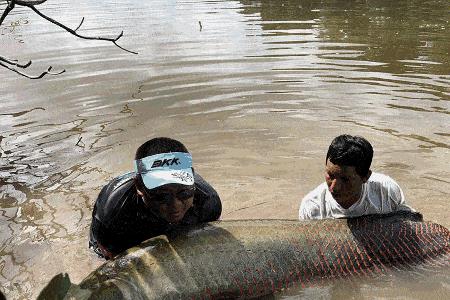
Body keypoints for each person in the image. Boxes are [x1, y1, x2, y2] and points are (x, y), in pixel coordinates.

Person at [89, 137, 222, 259]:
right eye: (161, 196)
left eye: (183, 192)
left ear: (192, 178)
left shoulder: (208, 201)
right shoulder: (113, 215)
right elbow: (114, 265)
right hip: (124, 234)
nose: (175, 205)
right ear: (140, 187)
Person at [299, 134, 414, 220]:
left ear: (365, 177)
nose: (334, 188)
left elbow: (409, 223)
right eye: (330, 175)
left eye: (345, 179)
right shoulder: (311, 207)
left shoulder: (387, 193)